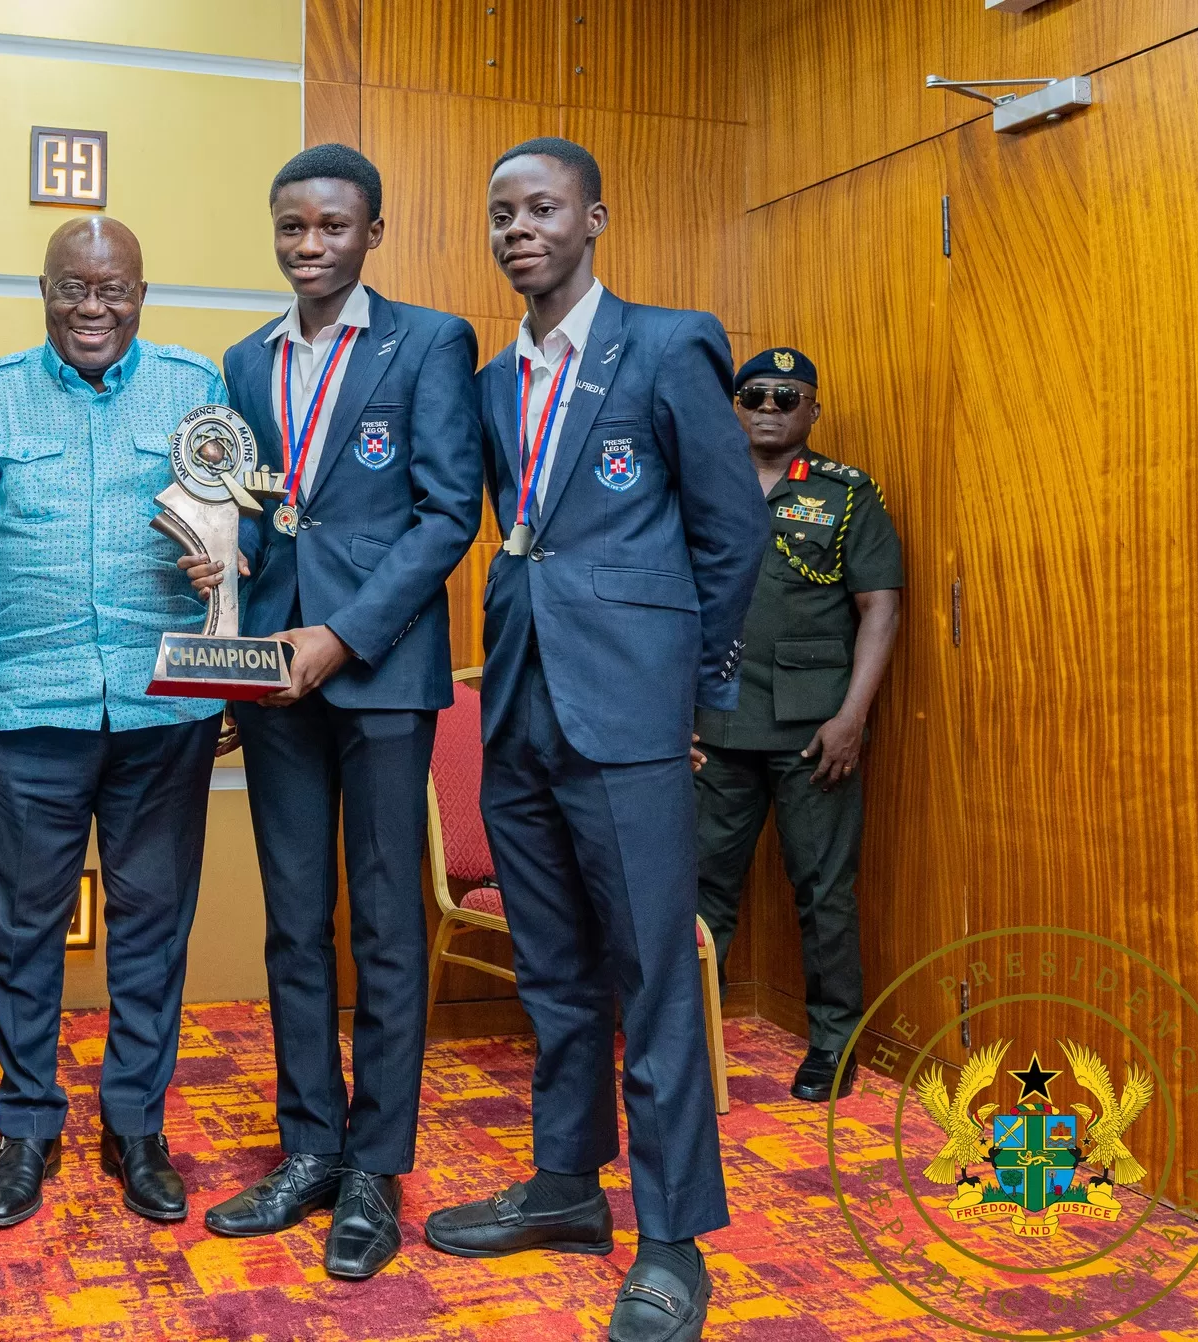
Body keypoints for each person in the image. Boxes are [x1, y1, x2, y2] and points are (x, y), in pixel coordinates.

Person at [420, 138, 764, 1342]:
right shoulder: (482, 378)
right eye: (501, 210)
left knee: (651, 980)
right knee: (555, 978)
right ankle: (567, 1188)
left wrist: (688, 699)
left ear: (594, 219)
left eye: (543, 207)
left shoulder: (667, 345)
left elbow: (730, 535)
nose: (519, 227)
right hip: (514, 708)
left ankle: (672, 1241)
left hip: (627, 718)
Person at [186, 144, 483, 1281]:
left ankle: (376, 1167)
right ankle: (307, 1146)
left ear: (370, 232)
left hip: (377, 671)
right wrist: (212, 559)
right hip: (271, 671)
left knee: (383, 926)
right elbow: (257, 515)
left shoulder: (427, 341)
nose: (308, 245)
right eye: (290, 227)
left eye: (330, 226)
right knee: (290, 917)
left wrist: (342, 634)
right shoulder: (243, 360)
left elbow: (446, 514)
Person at [0, 218, 230, 1231]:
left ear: (142, 293)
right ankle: (25, 1125)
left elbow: (240, 534)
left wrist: (226, 597)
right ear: (43, 289)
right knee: (21, 932)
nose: (92, 310)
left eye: (113, 291)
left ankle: (133, 1124)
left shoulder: (192, 389)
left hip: (159, 708)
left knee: (151, 926)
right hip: (28, 706)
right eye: (72, 289)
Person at [694, 349, 903, 1104]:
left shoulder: (846, 496)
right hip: (714, 724)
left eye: (790, 395)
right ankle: (689, 1042)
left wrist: (853, 716)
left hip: (815, 732)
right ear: (736, 405)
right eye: (755, 393)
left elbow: (880, 605)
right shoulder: (700, 488)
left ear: (813, 410)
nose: (771, 405)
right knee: (698, 891)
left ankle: (834, 1045)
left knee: (825, 892)